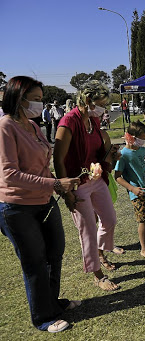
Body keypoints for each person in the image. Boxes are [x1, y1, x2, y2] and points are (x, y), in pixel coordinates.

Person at [0, 76, 81, 333]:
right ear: (17, 98)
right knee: (34, 261)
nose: (39, 104)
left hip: (44, 200)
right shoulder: (5, 127)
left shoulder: (33, 126)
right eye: (35, 99)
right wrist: (56, 185)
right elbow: (9, 175)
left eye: (40, 99)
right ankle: (43, 317)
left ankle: (52, 302)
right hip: (17, 207)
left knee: (54, 252)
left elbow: (42, 162)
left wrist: (57, 181)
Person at [53, 80, 120, 291]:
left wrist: (111, 155)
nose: (103, 109)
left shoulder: (94, 121)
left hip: (97, 178)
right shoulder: (69, 122)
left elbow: (99, 149)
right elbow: (58, 159)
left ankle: (100, 253)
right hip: (77, 183)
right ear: (88, 100)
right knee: (88, 229)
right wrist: (66, 193)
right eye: (101, 103)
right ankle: (97, 274)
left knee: (109, 219)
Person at [115, 120, 145, 259]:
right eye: (141, 139)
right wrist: (132, 189)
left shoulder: (143, 151)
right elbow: (117, 177)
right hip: (137, 194)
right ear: (130, 137)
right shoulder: (123, 155)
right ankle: (144, 248)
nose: (143, 142)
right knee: (143, 220)